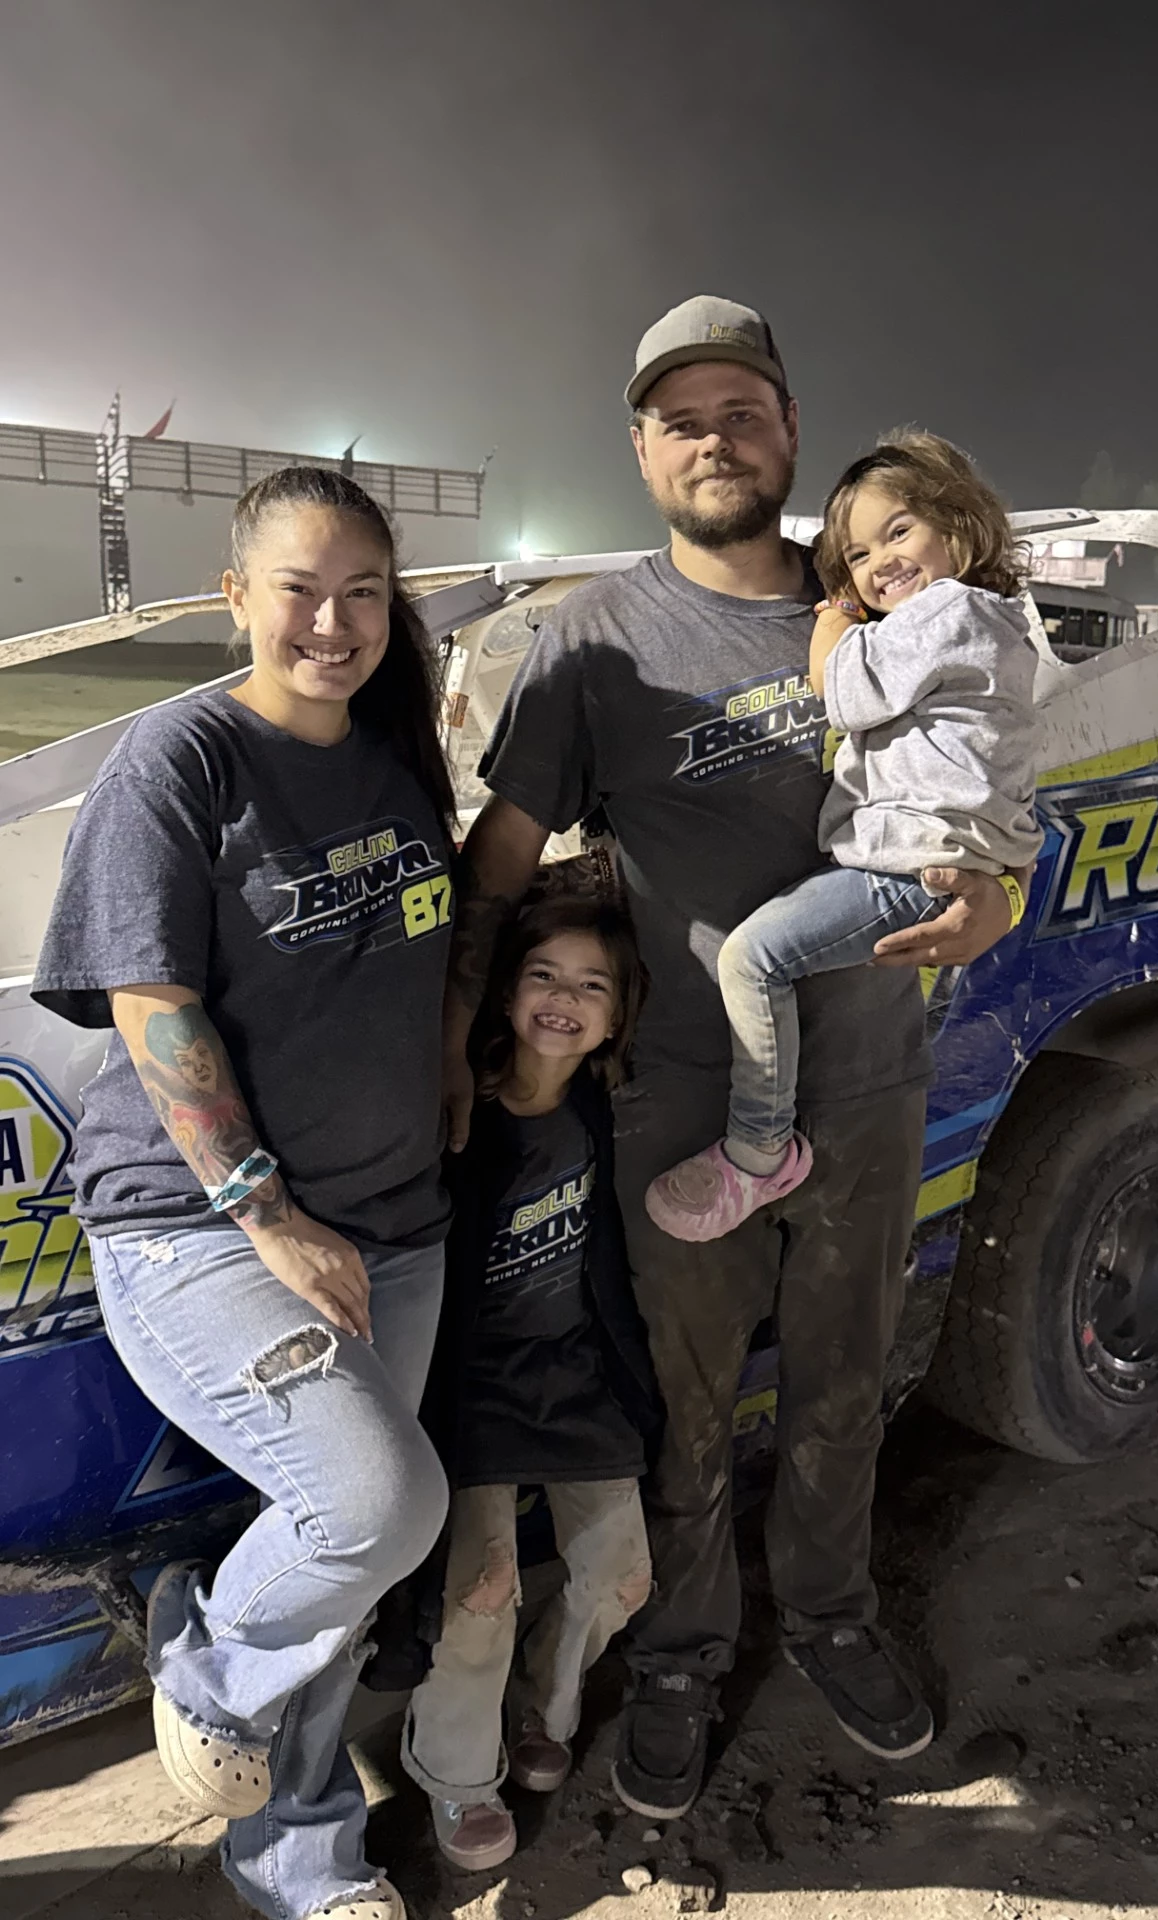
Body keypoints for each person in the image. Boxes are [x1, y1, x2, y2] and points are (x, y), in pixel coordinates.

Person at [439, 296, 1032, 1822]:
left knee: (843, 1382)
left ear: (790, 429)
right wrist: (453, 1035)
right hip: (681, 1099)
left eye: (743, 412)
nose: (715, 440)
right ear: (642, 449)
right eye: (681, 419)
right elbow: (504, 849)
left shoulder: (886, 595)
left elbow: (996, 766)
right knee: (689, 1404)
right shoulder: (596, 639)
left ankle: (831, 1611)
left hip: (868, 1077)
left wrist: (1008, 889)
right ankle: (686, 1653)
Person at [32, 467, 458, 1920]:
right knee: (374, 1506)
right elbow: (152, 1006)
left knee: (348, 1576)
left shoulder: (396, 755)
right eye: (300, 589)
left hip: (398, 1222)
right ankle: (205, 1667)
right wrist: (268, 1214)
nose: (334, 624)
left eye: (364, 594)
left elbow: (421, 951)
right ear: (235, 595)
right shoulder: (181, 757)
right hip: (204, 1226)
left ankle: (300, 1857)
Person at [645, 429, 1042, 1240]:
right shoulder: (990, 622)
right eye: (857, 556)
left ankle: (759, 1148)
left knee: (752, 958)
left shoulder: (948, 609)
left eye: (899, 531)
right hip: (935, 864)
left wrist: (833, 619)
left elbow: (848, 693)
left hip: (910, 866)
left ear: (958, 525)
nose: (881, 562)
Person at [395, 887, 661, 1873]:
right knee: (481, 1590)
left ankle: (542, 1703)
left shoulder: (604, 1110)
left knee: (622, 1577)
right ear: (506, 991)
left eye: (592, 986)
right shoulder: (456, 1114)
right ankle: (457, 1771)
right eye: (544, 975)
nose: (564, 999)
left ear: (618, 1016)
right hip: (470, 1386)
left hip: (575, 1374)